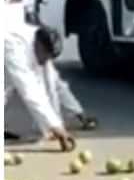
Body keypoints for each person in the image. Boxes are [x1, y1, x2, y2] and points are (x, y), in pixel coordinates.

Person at [4, 22, 83, 151]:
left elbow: (52, 85)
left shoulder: (41, 45)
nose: (46, 60)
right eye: (45, 55)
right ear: (39, 45)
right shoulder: (14, 46)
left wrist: (57, 124)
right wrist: (55, 126)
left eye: (49, 58)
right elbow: (29, 90)